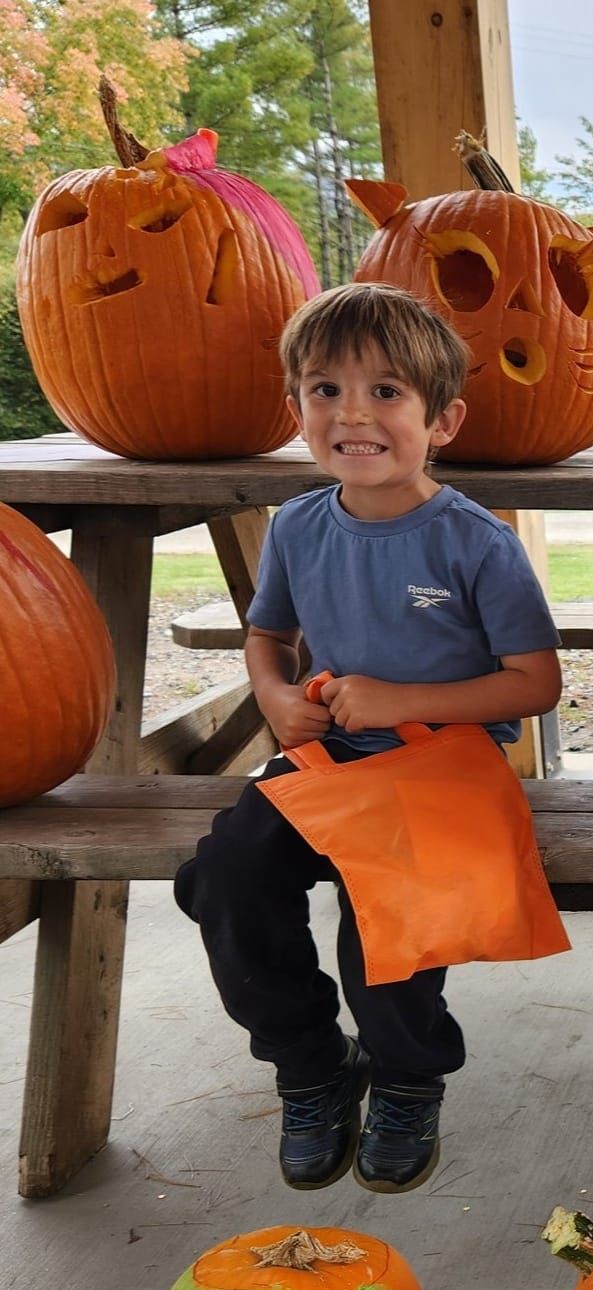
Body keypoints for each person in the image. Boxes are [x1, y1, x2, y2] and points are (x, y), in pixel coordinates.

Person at [175, 283, 562, 1193]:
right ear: (296, 408)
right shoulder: (302, 527)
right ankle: (311, 1063)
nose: (353, 413)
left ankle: (407, 1075)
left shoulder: (476, 544)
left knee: (384, 912)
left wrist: (397, 699)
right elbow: (266, 634)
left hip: (443, 764)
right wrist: (273, 692)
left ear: (443, 419)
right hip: (323, 757)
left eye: (386, 392)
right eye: (325, 390)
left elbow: (535, 683)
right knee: (225, 877)